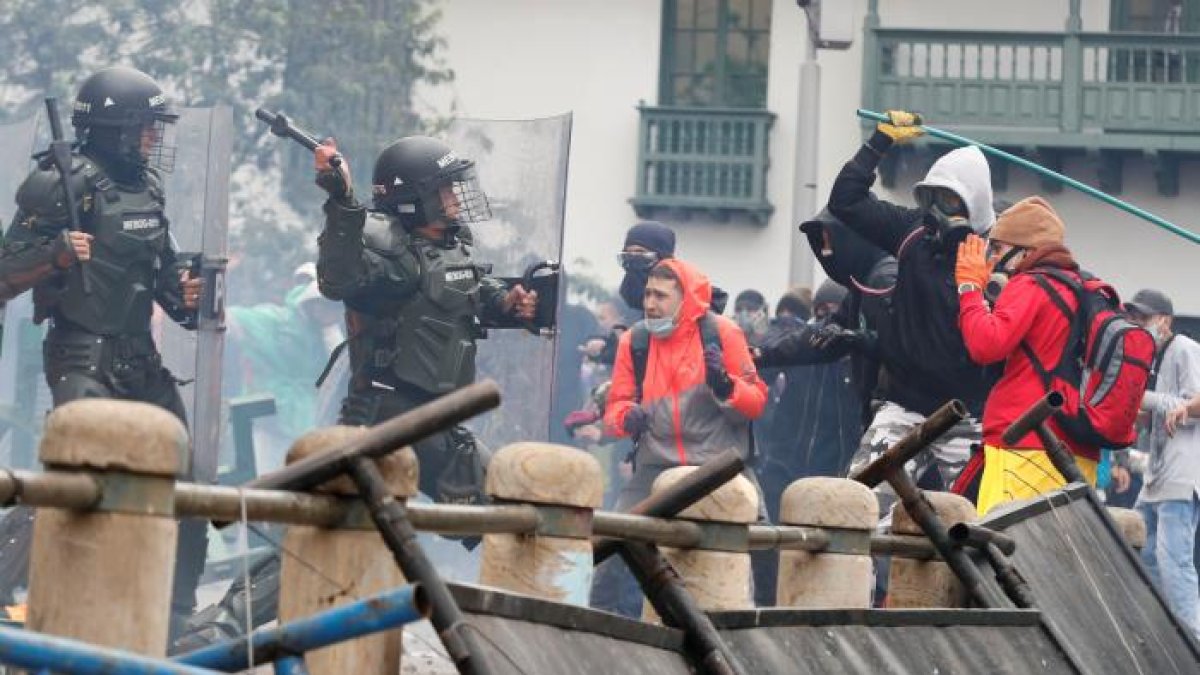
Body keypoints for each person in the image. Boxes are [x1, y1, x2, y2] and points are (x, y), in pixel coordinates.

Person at [0, 65, 206, 635]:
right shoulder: (60, 181)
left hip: (140, 356)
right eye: (145, 127)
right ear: (115, 126)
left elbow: (161, 273)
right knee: (70, 480)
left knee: (186, 479)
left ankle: (177, 616)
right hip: (80, 355)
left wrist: (184, 293)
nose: (152, 138)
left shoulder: (148, 187)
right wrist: (58, 254)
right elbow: (3, 273)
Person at [313, 134, 538, 504]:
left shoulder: (447, 244)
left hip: (433, 416)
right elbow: (339, 279)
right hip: (389, 416)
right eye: (446, 189)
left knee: (504, 509)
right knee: (505, 509)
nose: (455, 197)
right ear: (415, 199)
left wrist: (503, 300)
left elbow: (470, 282)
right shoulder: (391, 255)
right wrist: (342, 200)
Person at [828, 110, 1001, 504]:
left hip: (967, 413)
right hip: (902, 405)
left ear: (975, 206)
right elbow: (845, 201)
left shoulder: (996, 252)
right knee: (859, 504)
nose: (937, 210)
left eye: (951, 200)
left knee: (982, 516)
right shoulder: (911, 232)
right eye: (931, 197)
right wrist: (879, 143)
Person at [591, 258, 767, 616]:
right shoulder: (634, 341)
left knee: (737, 563)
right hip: (654, 468)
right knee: (605, 551)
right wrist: (628, 417)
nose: (650, 303)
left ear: (685, 298)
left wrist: (725, 386)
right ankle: (592, 632)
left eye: (660, 295)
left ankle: (735, 636)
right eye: (647, 294)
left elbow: (755, 404)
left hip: (717, 470)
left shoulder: (723, 333)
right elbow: (613, 413)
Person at [953, 197, 1100, 515]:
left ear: (1026, 250)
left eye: (998, 249)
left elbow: (985, 345)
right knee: (1061, 555)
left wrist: (969, 289)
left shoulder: (1030, 283)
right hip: (1078, 448)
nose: (992, 259)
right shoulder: (1083, 289)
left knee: (1007, 553)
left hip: (1025, 444)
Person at [1125, 288, 1200, 639]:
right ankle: (1161, 636)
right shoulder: (1150, 359)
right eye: (1134, 318)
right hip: (1156, 475)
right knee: (1144, 556)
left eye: (1144, 318)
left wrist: (1146, 399)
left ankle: (1193, 641)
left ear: (1165, 321)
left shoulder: (1184, 347)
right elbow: (1156, 411)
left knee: (1175, 563)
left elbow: (1193, 400)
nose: (1137, 325)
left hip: (1182, 476)